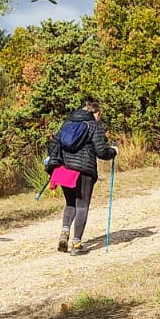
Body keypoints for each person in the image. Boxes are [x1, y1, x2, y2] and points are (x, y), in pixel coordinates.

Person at [47, 100, 117, 256]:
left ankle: (64, 233)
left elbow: (52, 145)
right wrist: (113, 151)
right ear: (96, 113)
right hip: (84, 171)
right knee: (82, 205)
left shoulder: (67, 123)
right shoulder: (94, 125)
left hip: (65, 169)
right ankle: (76, 245)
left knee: (70, 203)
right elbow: (101, 151)